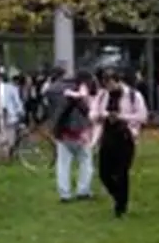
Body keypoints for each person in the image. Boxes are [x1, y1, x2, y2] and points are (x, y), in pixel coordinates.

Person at [95, 72, 148, 218]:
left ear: (118, 81)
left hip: (125, 137)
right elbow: (93, 113)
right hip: (107, 136)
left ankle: (121, 207)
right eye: (106, 84)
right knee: (104, 173)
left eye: (110, 84)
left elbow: (142, 116)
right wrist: (104, 115)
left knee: (121, 172)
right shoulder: (102, 95)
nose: (108, 88)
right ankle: (118, 196)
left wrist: (121, 117)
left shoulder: (132, 95)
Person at [48, 72, 97, 201]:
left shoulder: (56, 90)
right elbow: (88, 112)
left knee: (63, 165)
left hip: (63, 133)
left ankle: (65, 194)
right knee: (85, 162)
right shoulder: (80, 93)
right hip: (80, 133)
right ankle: (83, 190)